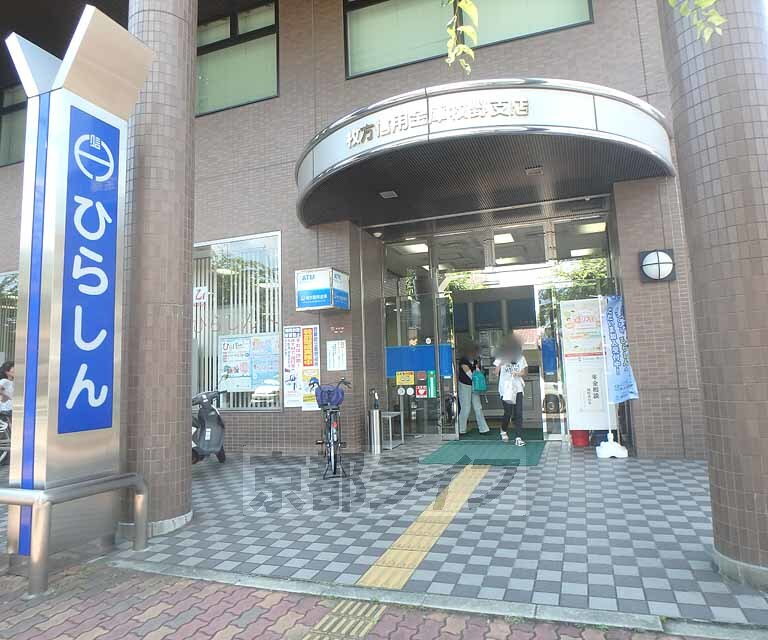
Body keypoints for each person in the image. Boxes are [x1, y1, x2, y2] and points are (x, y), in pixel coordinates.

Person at [494, 334, 527, 446]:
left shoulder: (521, 357)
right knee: (508, 412)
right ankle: (503, 429)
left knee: (518, 413)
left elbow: (524, 372)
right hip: (505, 389)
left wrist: (517, 373)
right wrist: (501, 363)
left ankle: (518, 437)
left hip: (517, 388)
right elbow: (495, 372)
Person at [457, 344, 490, 435]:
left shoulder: (475, 360)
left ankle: (483, 429)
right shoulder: (463, 360)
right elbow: (470, 374)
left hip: (474, 385)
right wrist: (479, 379)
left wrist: (478, 374)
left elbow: (476, 371)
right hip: (465, 385)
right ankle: (461, 429)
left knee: (478, 407)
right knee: (466, 407)